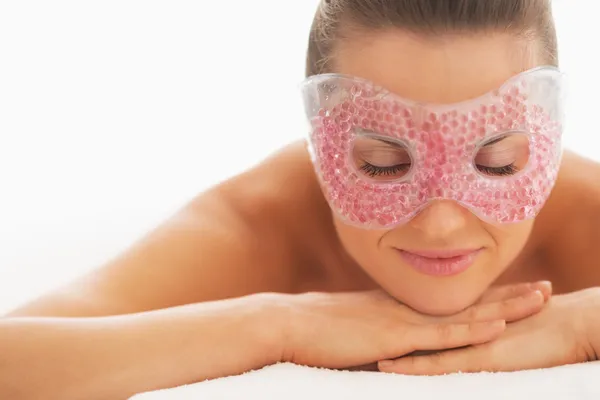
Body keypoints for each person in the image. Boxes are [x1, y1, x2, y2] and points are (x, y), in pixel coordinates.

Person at [3, 0, 600, 398]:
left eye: (496, 161)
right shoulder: (265, 223)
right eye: (382, 164)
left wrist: (583, 326)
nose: (442, 223)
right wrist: (274, 324)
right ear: (321, 139)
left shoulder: (585, 214)